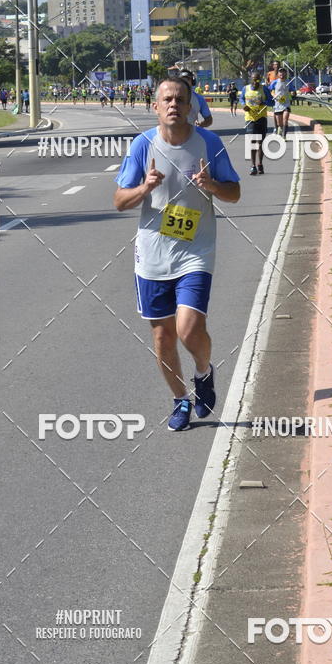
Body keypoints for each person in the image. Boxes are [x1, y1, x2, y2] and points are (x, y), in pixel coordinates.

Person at [113, 77, 240, 431]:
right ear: (155, 107)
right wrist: (145, 187)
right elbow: (120, 201)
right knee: (162, 337)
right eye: (167, 99)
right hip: (153, 254)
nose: (173, 105)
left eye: (180, 100)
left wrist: (211, 185)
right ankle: (180, 400)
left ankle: (203, 372)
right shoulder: (142, 146)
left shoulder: (209, 143)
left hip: (195, 251)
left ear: (190, 106)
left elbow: (235, 193)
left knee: (188, 328)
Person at [241, 70, 273, 175]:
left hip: (261, 118)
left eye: (258, 80)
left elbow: (272, 101)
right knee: (252, 142)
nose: (256, 82)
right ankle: (253, 166)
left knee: (260, 143)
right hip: (250, 118)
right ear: (251, 79)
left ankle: (260, 164)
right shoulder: (245, 88)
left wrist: (263, 102)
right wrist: (243, 105)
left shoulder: (264, 89)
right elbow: (241, 99)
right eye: (254, 80)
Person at [271, 67, 293, 138]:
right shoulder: (275, 82)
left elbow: (292, 90)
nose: (282, 73)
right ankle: (279, 129)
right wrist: (274, 95)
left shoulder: (289, 82)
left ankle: (284, 135)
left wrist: (292, 93)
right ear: (278, 74)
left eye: (283, 72)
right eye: (280, 72)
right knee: (279, 123)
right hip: (277, 104)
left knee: (285, 119)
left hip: (286, 104)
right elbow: (271, 90)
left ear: (286, 73)